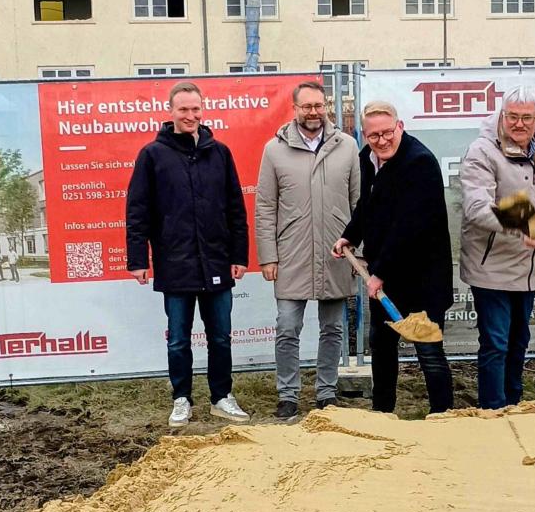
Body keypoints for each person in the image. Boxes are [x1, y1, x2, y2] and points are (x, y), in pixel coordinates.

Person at [127, 81, 251, 427]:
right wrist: (138, 259)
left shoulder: (220, 152)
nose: (190, 116)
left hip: (216, 263)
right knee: (179, 339)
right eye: (183, 110)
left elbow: (235, 209)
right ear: (171, 112)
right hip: (174, 264)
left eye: (195, 109)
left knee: (221, 337)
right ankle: (181, 398)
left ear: (202, 110)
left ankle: (221, 397)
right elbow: (138, 211)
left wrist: (239, 256)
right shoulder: (152, 155)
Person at [331, 101, 454, 415]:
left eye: (387, 132)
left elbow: (408, 226)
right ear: (365, 135)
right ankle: (383, 410)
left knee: (427, 348)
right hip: (385, 275)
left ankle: (444, 414)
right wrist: (350, 235)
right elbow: (367, 206)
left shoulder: (419, 163)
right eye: (374, 136)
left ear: (400, 127)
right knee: (382, 346)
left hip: (422, 277)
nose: (382, 140)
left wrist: (379, 273)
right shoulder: (367, 159)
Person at [459, 85, 535, 409]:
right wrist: (516, 224)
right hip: (491, 267)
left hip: (530, 267)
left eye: (527, 117)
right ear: (502, 115)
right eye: (513, 116)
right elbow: (476, 207)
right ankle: (493, 410)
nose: (520, 124)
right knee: (496, 343)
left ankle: (514, 403)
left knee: (518, 341)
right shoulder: (482, 151)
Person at [256, 80, 360, 419]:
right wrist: (268, 256)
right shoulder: (274, 150)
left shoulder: (347, 146)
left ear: (326, 107)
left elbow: (359, 204)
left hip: (336, 252)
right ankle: (288, 395)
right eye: (307, 106)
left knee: (333, 329)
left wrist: (358, 251)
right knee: (287, 327)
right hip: (291, 254)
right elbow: (265, 206)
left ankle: (326, 394)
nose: (313, 112)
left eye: (319, 105)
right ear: (295, 108)